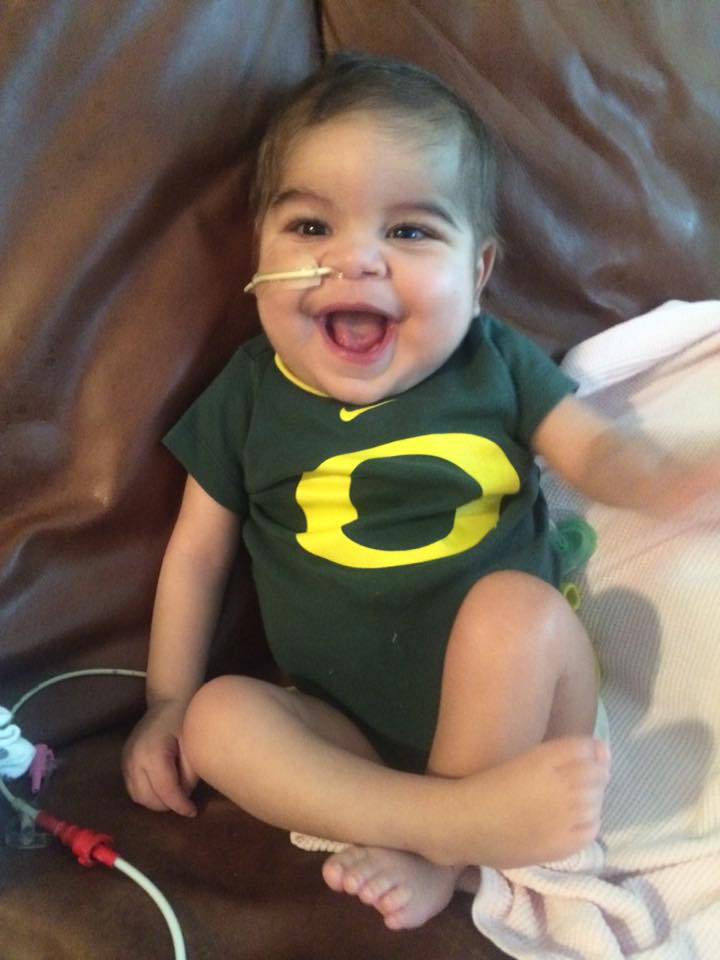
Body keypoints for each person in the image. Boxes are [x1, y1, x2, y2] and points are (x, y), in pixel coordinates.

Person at [123, 53, 717, 931]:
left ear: (477, 275)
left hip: (522, 709)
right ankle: (443, 825)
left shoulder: (494, 363)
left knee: (515, 613)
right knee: (217, 719)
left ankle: (435, 849)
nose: (355, 260)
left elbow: (596, 454)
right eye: (311, 227)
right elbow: (197, 556)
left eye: (408, 232)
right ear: (258, 255)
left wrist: (674, 476)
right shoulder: (246, 397)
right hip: (342, 733)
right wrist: (166, 702)